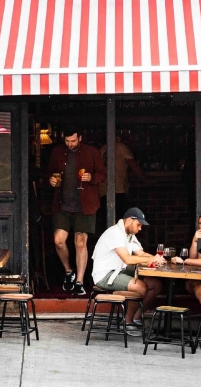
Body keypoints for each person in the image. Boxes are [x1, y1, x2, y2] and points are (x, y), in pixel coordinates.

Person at [46, 126, 107, 296]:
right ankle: (68, 271)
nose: (70, 144)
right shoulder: (57, 152)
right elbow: (49, 172)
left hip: (85, 205)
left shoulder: (92, 152)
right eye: (67, 141)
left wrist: (92, 178)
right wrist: (51, 179)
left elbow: (103, 174)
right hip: (62, 204)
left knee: (80, 242)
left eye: (73, 141)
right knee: (59, 240)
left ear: (80, 138)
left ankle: (79, 281)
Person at [90, 208, 165, 335]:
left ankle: (136, 318)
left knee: (155, 284)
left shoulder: (129, 234)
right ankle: (128, 322)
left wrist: (158, 260)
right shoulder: (115, 233)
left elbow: (140, 253)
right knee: (141, 287)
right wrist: (152, 258)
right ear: (130, 220)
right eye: (138, 225)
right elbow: (128, 258)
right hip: (106, 274)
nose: (140, 228)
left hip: (120, 270)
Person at [99, 135, 143, 222]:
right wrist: (146, 180)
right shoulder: (121, 147)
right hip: (118, 191)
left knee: (106, 224)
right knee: (120, 225)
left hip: (103, 192)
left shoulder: (102, 150)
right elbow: (134, 166)